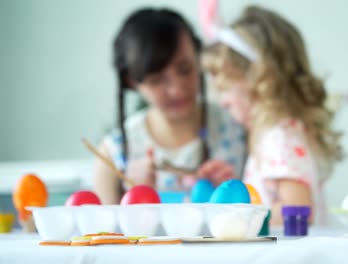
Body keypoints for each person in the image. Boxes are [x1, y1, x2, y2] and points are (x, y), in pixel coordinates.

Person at [202, 6, 342, 225]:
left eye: (225, 88)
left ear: (258, 80)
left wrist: (242, 217)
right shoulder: (278, 134)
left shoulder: (278, 138)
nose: (223, 101)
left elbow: (298, 210)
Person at [94, 8, 246, 204]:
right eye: (156, 80)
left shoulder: (240, 130)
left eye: (185, 69)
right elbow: (102, 234)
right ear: (131, 81)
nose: (176, 90)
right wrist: (131, 200)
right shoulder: (112, 155)